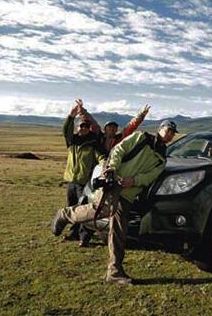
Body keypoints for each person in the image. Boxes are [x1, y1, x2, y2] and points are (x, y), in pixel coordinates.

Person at [50, 120, 178, 285]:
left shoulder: (162, 159)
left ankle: (115, 271)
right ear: (160, 129)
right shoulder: (141, 137)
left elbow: (150, 176)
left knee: (119, 230)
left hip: (128, 193)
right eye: (167, 130)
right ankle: (65, 214)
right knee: (100, 210)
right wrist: (112, 169)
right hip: (113, 181)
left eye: (172, 133)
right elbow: (119, 149)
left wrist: (134, 180)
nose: (169, 134)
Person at [62, 102, 107, 247]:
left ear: (89, 128)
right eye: (81, 126)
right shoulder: (72, 141)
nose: (84, 128)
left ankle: (84, 237)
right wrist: (71, 115)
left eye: (86, 126)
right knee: (72, 207)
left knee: (84, 209)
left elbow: (101, 157)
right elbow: (65, 130)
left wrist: (105, 166)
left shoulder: (93, 143)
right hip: (71, 181)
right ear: (77, 127)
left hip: (84, 182)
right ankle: (74, 233)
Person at [76, 99, 151, 154]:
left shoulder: (120, 138)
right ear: (105, 129)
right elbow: (91, 121)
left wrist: (141, 115)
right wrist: (82, 111)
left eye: (114, 127)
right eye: (110, 126)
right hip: (97, 162)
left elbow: (131, 126)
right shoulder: (98, 135)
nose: (112, 128)